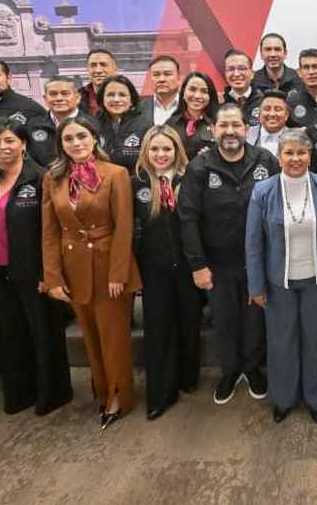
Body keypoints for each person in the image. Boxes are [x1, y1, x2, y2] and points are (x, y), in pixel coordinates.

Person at [0, 117, 73, 416]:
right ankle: (21, 392)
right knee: (10, 337)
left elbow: (55, 231)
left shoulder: (43, 179)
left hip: (36, 276)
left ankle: (53, 393)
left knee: (44, 336)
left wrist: (50, 274)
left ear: (23, 143)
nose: (3, 147)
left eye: (9, 140)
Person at [41, 115, 142, 429]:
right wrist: (53, 277)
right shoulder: (52, 178)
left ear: (95, 138)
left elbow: (124, 226)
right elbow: (49, 231)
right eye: (69, 139)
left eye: (82, 136)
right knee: (90, 337)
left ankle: (118, 395)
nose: (76, 144)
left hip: (108, 265)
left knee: (113, 338)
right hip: (73, 268)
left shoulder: (116, 173)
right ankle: (101, 390)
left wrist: (118, 273)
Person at [179, 103, 280, 405]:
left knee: (254, 320)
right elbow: (187, 217)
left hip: (257, 262)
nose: (230, 131)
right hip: (217, 263)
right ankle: (229, 371)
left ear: (247, 129)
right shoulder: (199, 167)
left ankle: (252, 368)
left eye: (236, 125)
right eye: (224, 125)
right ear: (213, 130)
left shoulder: (266, 160)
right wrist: (197, 264)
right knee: (224, 320)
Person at [246, 129, 317, 424]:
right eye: (289, 153)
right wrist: (256, 285)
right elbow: (253, 244)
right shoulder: (263, 191)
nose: (295, 158)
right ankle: (284, 397)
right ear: (279, 157)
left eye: (301, 153)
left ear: (310, 156)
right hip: (278, 283)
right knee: (281, 341)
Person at [131, 125, 200, 420]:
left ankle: (188, 378)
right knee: (158, 330)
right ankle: (161, 393)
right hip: (153, 270)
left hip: (187, 269)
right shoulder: (136, 184)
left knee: (188, 324)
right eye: (155, 149)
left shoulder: (190, 180)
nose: (161, 155)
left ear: (177, 151)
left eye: (167, 149)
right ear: (146, 151)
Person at [95, 75, 151, 171]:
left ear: (131, 100)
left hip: (136, 182)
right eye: (110, 95)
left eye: (122, 95)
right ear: (102, 99)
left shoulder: (146, 124)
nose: (116, 99)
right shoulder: (92, 124)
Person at [31, 75, 82, 166]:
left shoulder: (93, 124)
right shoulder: (33, 126)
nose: (59, 99)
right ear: (45, 99)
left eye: (65, 93)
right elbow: (28, 160)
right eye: (53, 94)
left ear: (77, 98)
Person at [167, 71, 219, 161]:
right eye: (192, 89)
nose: (197, 95)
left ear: (210, 96)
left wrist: (214, 156)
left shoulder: (218, 124)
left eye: (204, 91)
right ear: (183, 92)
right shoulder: (170, 124)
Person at [286, 48, 317, 129]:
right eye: (306, 67)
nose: (311, 72)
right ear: (299, 72)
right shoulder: (291, 101)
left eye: (315, 67)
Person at [223, 49, 264, 126]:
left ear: (252, 74)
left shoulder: (264, 102)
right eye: (231, 69)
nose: (236, 74)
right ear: (225, 74)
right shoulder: (220, 104)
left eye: (242, 68)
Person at [140, 55, 183, 127]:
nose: (161, 79)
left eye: (167, 74)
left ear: (179, 78)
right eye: (156, 75)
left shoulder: (190, 107)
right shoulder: (138, 109)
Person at [247, 90, 290, 159]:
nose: (272, 114)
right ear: (259, 113)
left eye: (278, 109)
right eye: (267, 109)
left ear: (287, 115)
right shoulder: (246, 135)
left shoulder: (297, 137)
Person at [78, 48, 118, 115]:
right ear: (87, 70)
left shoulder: (131, 98)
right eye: (93, 65)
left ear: (115, 69)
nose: (98, 70)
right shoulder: (76, 98)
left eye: (103, 65)